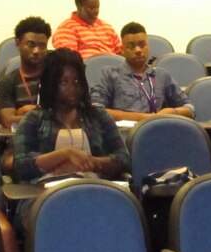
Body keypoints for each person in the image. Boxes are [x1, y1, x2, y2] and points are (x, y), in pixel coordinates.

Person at [13, 48, 128, 183]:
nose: (73, 88)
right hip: (44, 194)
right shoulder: (34, 119)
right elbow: (21, 166)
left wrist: (90, 162)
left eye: (77, 82)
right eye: (64, 82)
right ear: (51, 85)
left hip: (94, 187)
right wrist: (65, 154)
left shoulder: (98, 116)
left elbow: (123, 158)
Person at [90, 22, 194, 121]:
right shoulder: (109, 74)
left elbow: (189, 109)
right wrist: (144, 118)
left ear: (148, 46)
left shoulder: (162, 76)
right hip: (122, 135)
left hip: (158, 131)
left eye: (142, 44)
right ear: (122, 50)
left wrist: (171, 112)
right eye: (131, 46)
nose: (138, 50)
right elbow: (96, 110)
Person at [0, 16, 50, 128]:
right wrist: (43, 116)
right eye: (31, 45)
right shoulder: (7, 82)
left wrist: (24, 111)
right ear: (18, 43)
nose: (36, 51)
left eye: (42, 46)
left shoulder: (56, 76)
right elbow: (9, 122)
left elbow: (65, 117)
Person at [52, 0, 121, 60]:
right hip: (86, 70)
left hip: (114, 69)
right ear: (79, 6)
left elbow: (122, 54)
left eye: (97, 7)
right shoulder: (66, 29)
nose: (96, 12)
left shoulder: (107, 27)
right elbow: (69, 62)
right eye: (91, 8)